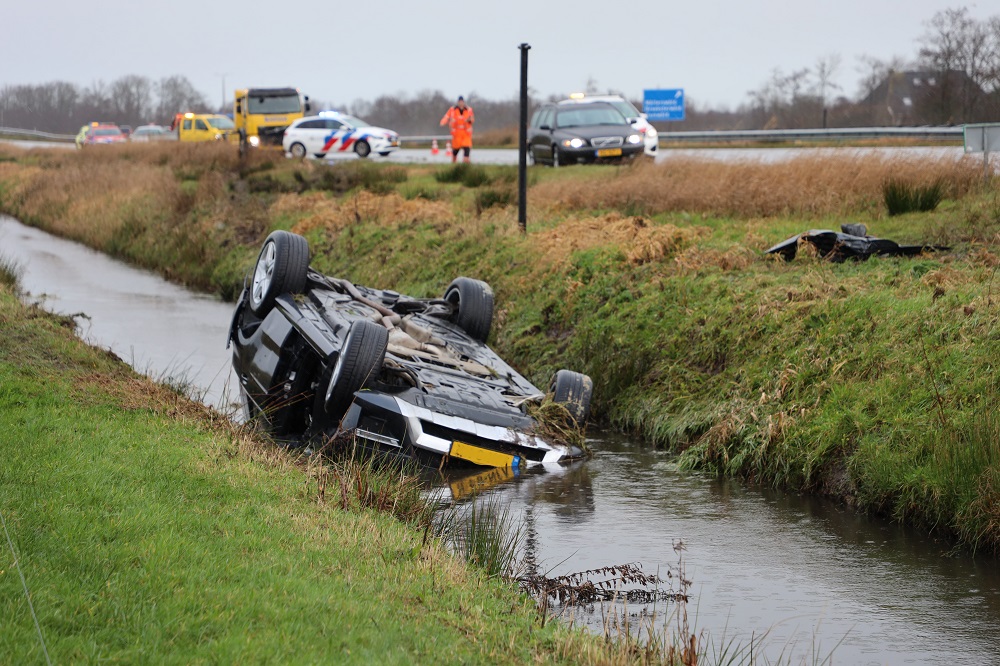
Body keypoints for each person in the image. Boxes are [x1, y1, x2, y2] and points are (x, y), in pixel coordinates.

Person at [440, 96, 475, 163]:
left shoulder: (469, 109)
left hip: (466, 133)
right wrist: (443, 122)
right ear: (458, 102)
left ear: (464, 102)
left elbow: (472, 119)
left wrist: (469, 120)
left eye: (462, 102)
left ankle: (466, 165)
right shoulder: (452, 109)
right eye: (460, 102)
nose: (461, 103)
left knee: (467, 149)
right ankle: (454, 163)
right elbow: (446, 116)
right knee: (455, 150)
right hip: (457, 133)